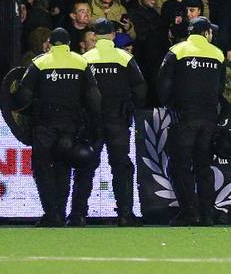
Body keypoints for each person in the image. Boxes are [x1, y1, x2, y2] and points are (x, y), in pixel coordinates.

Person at [14, 27, 101, 227]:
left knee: (42, 168)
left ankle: (51, 213)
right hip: (70, 126)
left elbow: (23, 96)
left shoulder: (40, 62)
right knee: (63, 167)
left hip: (45, 125)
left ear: (51, 44)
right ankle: (61, 212)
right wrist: (95, 125)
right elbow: (93, 97)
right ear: (69, 44)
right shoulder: (81, 62)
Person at [70, 19, 147, 227]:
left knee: (85, 166)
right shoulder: (124, 58)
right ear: (113, 35)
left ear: (95, 35)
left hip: (91, 123)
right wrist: (131, 106)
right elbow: (140, 88)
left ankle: (77, 214)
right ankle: (125, 214)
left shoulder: (85, 59)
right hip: (118, 121)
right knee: (121, 166)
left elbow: (75, 91)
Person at [156, 17, 227, 226]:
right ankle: (207, 214)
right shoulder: (217, 54)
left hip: (185, 116)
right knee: (203, 166)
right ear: (206, 33)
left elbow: (163, 83)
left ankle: (189, 211)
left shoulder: (177, 51)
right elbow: (222, 87)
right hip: (208, 118)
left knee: (180, 164)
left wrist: (171, 106)